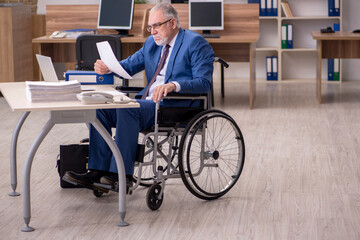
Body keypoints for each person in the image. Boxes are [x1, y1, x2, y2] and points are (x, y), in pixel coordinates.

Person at [63, 2, 214, 193]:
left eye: (157, 26)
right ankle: (97, 170)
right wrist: (109, 67)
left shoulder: (195, 43)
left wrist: (174, 85)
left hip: (175, 106)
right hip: (149, 104)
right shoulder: (152, 43)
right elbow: (128, 66)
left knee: (129, 108)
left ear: (173, 22)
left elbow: (204, 82)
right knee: (99, 109)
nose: (152, 32)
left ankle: (121, 176)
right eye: (150, 27)